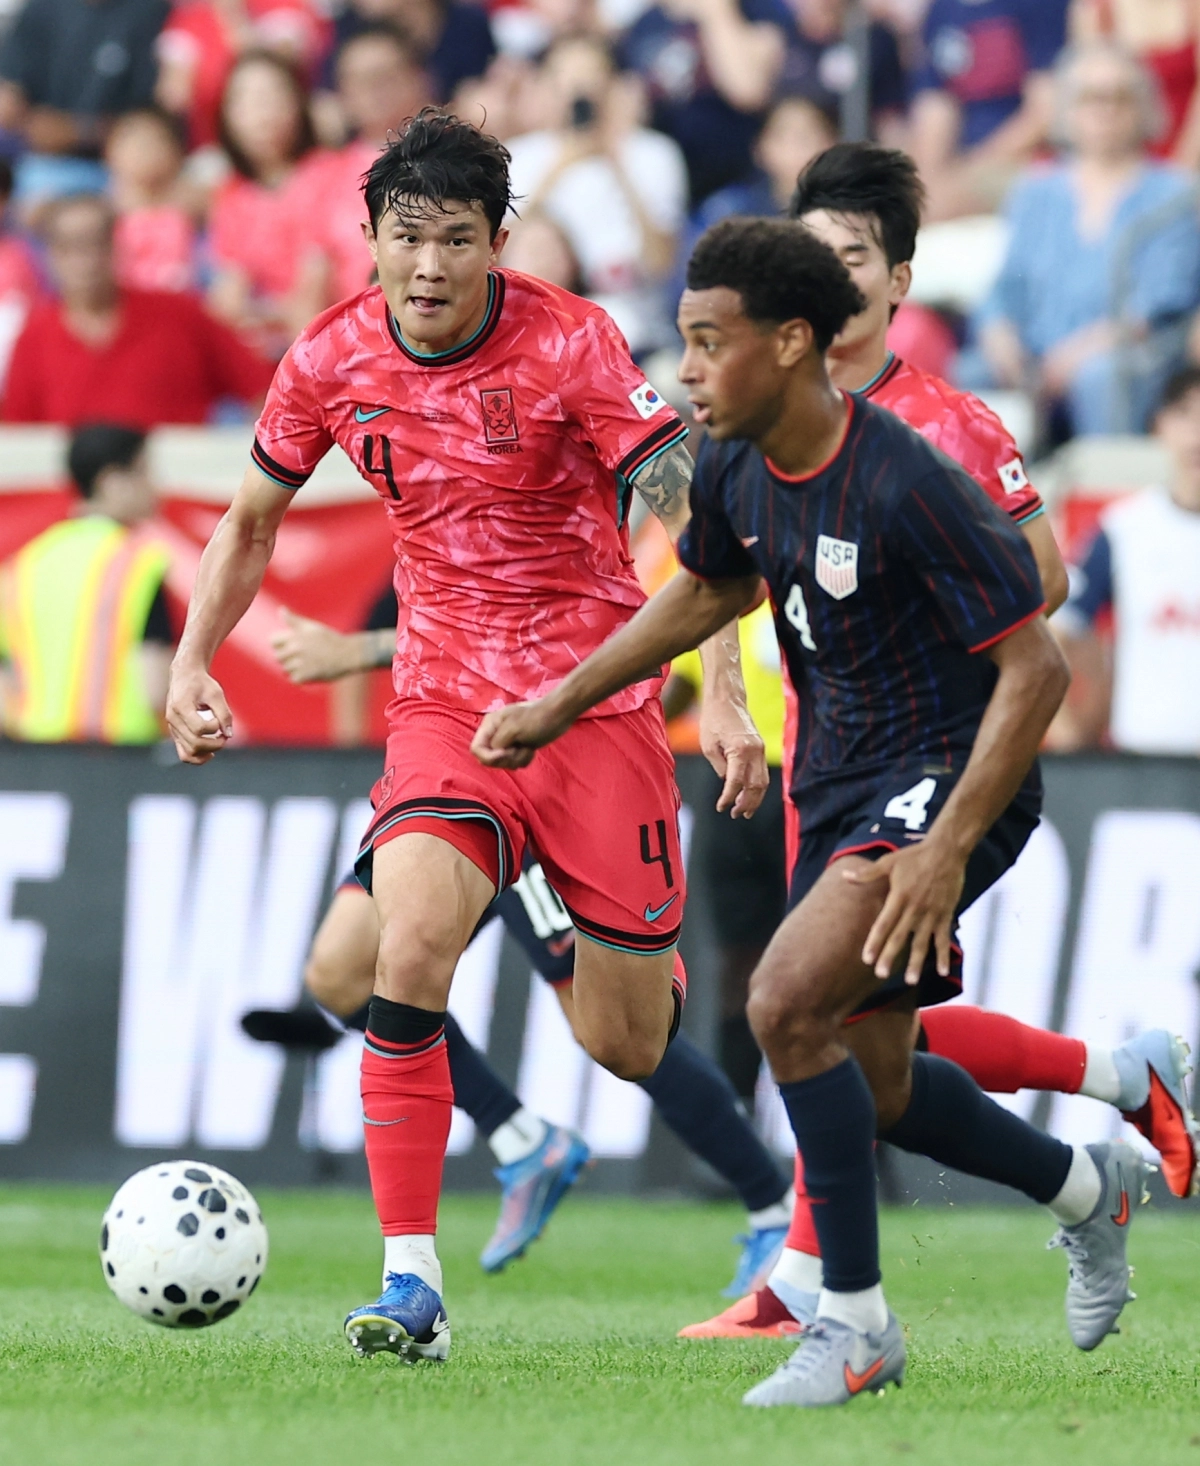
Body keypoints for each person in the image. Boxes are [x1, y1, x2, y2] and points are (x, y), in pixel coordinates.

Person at [473, 217, 1153, 1407]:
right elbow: (707, 593)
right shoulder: (734, 463)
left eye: (708, 342)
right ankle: (1086, 1186)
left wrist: (945, 847)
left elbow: (1037, 669)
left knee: (784, 1001)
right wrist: (559, 700)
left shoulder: (907, 480)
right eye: (684, 341)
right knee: (876, 1080)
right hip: (837, 782)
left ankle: (853, 1322)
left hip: (950, 773)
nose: (686, 370)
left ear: (791, 342)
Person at [164, 108, 768, 1363]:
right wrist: (190, 661)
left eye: (455, 239)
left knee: (622, 1037)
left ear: (498, 241)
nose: (428, 266)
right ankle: (411, 1281)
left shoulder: (573, 342)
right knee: (406, 942)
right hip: (446, 708)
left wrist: (723, 692)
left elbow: (698, 521)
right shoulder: (328, 356)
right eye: (406, 238)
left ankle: (637, 989)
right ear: (370, 237)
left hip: (595, 704)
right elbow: (251, 523)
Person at [685, 141, 1196, 1342]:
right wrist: (723, 697)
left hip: (931, 769)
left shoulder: (946, 427)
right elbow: (717, 577)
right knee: (861, 1043)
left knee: (809, 1009)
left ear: (899, 281)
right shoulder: (765, 413)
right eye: (812, 254)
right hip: (821, 762)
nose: (832, 276)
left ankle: (813, 1291)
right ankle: (1100, 1128)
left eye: (854, 257)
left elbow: (1042, 580)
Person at [962, 42, 1200, 438]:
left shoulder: (1173, 194)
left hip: (1129, 355)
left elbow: (1158, 303)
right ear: (1067, 110)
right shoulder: (1035, 192)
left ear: (1144, 107)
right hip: (1036, 353)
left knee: (1100, 377)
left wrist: (1076, 356)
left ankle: (1105, 475)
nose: (1106, 110)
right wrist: (998, 333)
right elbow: (1006, 286)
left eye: (1120, 97)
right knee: (971, 372)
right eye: (1091, 98)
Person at [2, 193, 272, 426]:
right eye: (69, 247)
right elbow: (18, 436)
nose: (85, 260)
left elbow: (263, 391)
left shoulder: (180, 314)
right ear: (49, 255)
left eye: (97, 243)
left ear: (116, 246)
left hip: (175, 470)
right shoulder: (34, 337)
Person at [506, 34, 688, 356]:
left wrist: (618, 166)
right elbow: (502, 258)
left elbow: (662, 262)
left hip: (636, 328)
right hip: (538, 325)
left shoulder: (653, 153)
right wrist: (561, 166)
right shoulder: (519, 157)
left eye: (591, 79)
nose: (580, 94)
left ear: (612, 85)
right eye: (569, 81)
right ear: (548, 88)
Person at [1053, 364, 1200, 754]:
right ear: (1160, 425)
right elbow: (1057, 630)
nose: (1197, 432)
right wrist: (1070, 732)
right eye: (1185, 413)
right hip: (1141, 763)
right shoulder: (1125, 529)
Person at [0, 423, 173, 742]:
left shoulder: (24, 565)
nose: (155, 487)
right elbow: (155, 687)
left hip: (35, 752)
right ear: (111, 482)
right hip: (125, 750)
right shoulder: (141, 563)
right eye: (144, 472)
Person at [207, 51, 329, 358]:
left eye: (273, 94)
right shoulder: (230, 196)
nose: (261, 110)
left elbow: (313, 298)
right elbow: (228, 297)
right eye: (245, 99)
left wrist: (264, 314)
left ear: (299, 102)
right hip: (260, 354)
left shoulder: (329, 174)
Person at [308, 25, 435, 308]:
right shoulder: (322, 175)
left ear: (419, 79)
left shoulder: (455, 162)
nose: (374, 90)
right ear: (342, 93)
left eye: (385, 76)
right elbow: (311, 283)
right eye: (360, 81)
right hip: (352, 326)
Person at [618, 0, 792, 204]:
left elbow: (747, 90)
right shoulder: (646, 24)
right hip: (673, 182)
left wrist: (717, 13)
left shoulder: (756, 9)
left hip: (742, 181)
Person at [909, 0, 1069, 221]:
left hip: (1028, 161)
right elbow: (935, 110)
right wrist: (929, 181)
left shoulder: (1040, 5)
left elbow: (1044, 114)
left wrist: (967, 174)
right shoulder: (942, 10)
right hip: (962, 166)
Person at [0, 0, 169, 209]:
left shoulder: (148, 11)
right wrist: (22, 118)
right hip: (34, 163)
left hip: (116, 169)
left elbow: (153, 114)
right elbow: (9, 92)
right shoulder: (40, 8)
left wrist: (75, 131)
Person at [155, 0, 331, 151]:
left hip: (290, 136)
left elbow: (278, 71)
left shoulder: (283, 7)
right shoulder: (188, 19)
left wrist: (235, 18)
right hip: (213, 146)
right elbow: (173, 97)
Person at [1071, 0, 1200, 166]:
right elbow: (1087, 93)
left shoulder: (1193, 7)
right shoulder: (1097, 11)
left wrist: (1184, 164)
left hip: (1189, 144)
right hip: (1123, 153)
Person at [106, 106, 199, 294]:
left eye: (154, 142)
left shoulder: (194, 203)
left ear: (176, 152)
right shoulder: (106, 209)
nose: (144, 152)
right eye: (135, 143)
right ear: (111, 153)